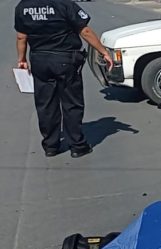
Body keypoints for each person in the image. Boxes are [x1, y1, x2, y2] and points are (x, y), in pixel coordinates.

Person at [14, 0, 113, 158]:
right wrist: (103, 51)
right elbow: (85, 31)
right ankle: (77, 146)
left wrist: (22, 59)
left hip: (40, 60)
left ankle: (50, 146)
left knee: (46, 104)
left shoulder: (23, 6)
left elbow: (21, 37)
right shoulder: (64, 4)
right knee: (71, 103)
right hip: (65, 59)